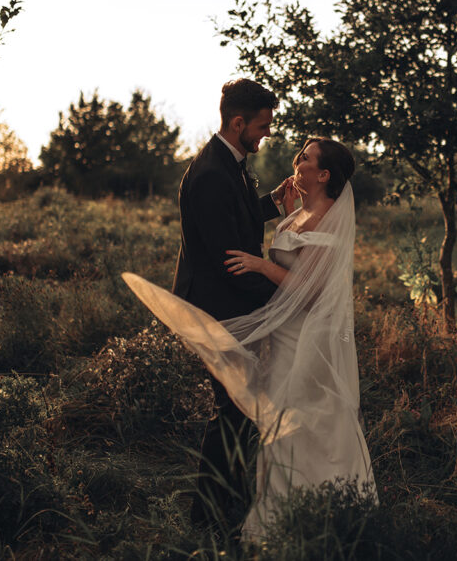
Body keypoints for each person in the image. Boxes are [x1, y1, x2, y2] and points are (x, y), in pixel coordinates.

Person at [123, 137, 376, 542]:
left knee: (309, 418)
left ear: (324, 174)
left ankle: (325, 509)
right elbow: (286, 245)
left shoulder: (328, 220)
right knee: (280, 421)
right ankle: (278, 512)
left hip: (307, 336)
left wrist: (260, 264)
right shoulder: (301, 212)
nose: (298, 160)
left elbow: (309, 290)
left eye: (307, 158)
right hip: (285, 334)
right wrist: (283, 209)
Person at [168, 77, 292, 533]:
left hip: (227, 306)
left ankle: (224, 506)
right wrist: (286, 297)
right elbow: (229, 263)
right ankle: (208, 520)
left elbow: (234, 221)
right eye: (261, 126)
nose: (265, 134)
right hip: (216, 309)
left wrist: (273, 204)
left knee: (238, 410)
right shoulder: (211, 174)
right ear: (238, 122)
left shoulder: (229, 163)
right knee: (234, 410)